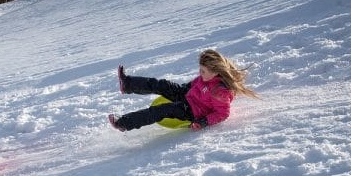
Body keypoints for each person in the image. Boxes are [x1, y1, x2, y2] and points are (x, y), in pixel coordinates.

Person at [109, 49, 257, 132]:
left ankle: (123, 123)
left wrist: (204, 122)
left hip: (191, 111)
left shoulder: (220, 92)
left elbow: (223, 113)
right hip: (187, 95)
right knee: (161, 84)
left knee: (159, 110)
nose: (200, 73)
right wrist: (184, 88)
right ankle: (127, 84)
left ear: (216, 72)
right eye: (200, 69)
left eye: (203, 71)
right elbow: (196, 84)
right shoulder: (205, 78)